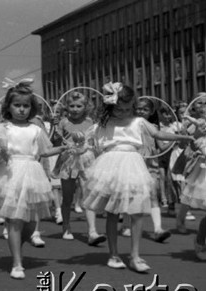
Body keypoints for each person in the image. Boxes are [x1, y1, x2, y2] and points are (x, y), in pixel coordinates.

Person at [82, 82, 193, 272]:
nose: (123, 113)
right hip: (110, 165)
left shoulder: (138, 122)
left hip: (133, 165)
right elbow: (87, 141)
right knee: (112, 211)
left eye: (126, 109)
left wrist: (180, 138)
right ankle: (114, 254)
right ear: (109, 106)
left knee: (137, 211)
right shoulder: (103, 124)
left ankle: (135, 255)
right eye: (118, 109)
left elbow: (158, 133)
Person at [0, 79, 68, 279]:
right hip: (9, 173)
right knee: (14, 220)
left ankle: (17, 245)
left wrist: (62, 149)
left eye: (25, 106)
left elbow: (45, 151)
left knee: (29, 222)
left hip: (31, 172)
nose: (21, 109)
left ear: (32, 108)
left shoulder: (36, 129)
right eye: (17, 105)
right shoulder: (2, 128)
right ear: (8, 107)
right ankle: (17, 263)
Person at [52, 91, 106, 245]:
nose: (75, 109)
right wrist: (55, 131)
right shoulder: (62, 122)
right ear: (67, 107)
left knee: (88, 195)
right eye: (72, 106)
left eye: (79, 106)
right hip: (68, 160)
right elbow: (56, 141)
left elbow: (96, 140)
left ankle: (92, 231)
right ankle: (66, 226)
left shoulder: (90, 122)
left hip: (86, 160)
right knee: (68, 196)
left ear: (85, 107)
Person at [131, 97, 172, 243]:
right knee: (131, 195)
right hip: (133, 163)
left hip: (150, 164)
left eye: (145, 109)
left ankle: (158, 229)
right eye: (138, 108)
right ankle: (125, 225)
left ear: (151, 111)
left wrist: (175, 138)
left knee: (153, 194)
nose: (141, 111)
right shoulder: (128, 124)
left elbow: (162, 147)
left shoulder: (154, 126)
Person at [176, 93, 206, 241]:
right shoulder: (190, 123)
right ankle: (181, 219)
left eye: (205, 103)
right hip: (195, 160)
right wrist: (195, 134)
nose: (203, 107)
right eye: (199, 103)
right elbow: (183, 145)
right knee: (190, 192)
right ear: (193, 105)